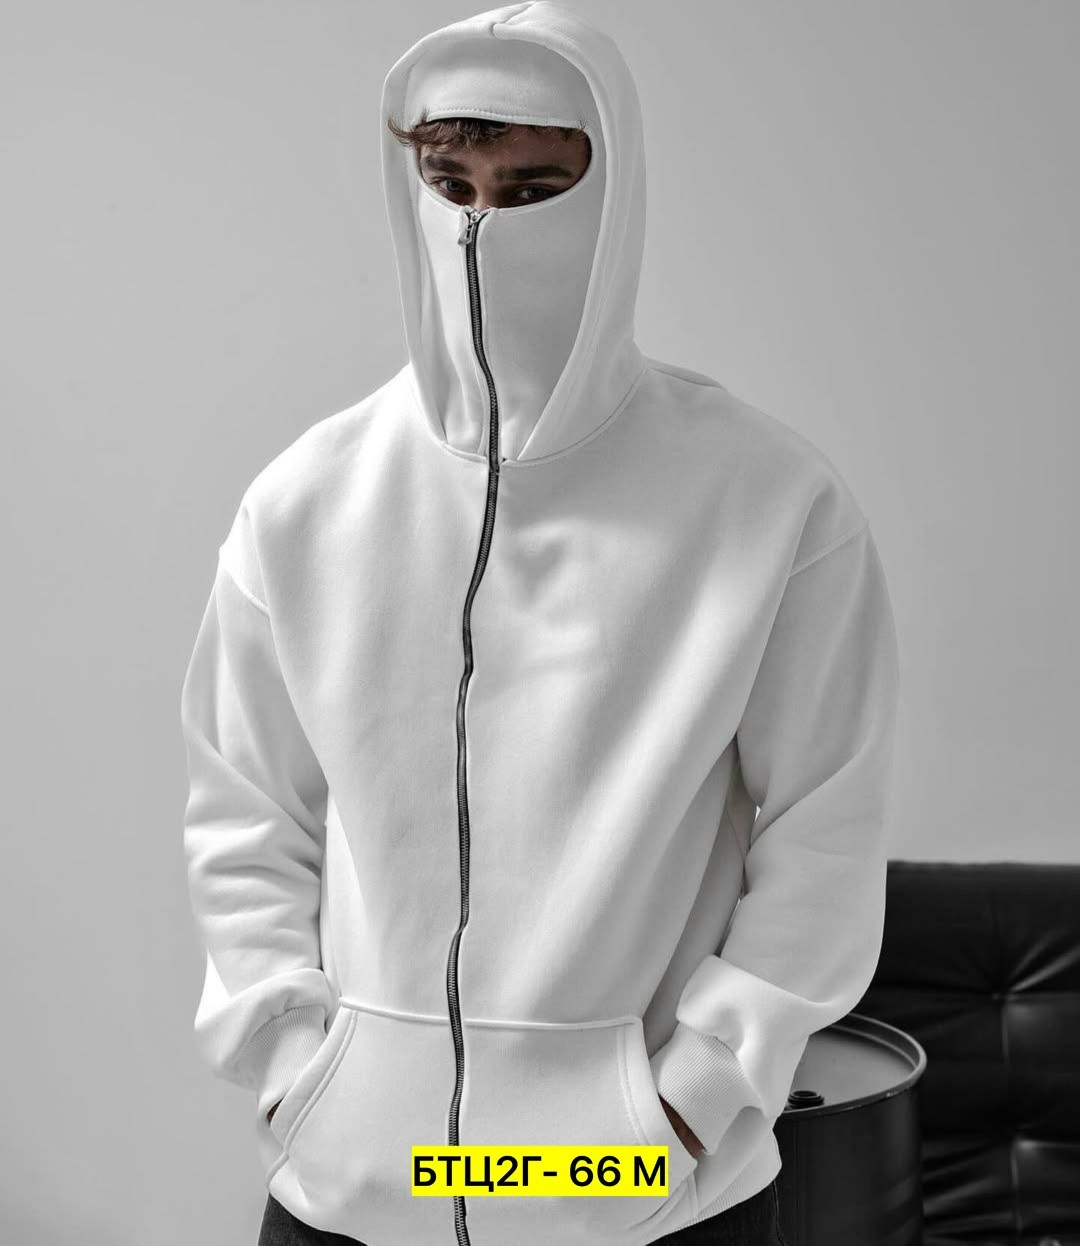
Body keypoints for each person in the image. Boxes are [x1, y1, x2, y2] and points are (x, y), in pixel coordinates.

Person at [179, 4, 899, 1246]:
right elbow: (246, 812)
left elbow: (823, 835)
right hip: (353, 1197)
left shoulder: (768, 504)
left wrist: (683, 1109)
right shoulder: (306, 503)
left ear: (610, 198)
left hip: (644, 1202)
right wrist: (299, 1071)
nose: (480, 228)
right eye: (450, 183)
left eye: (531, 190)